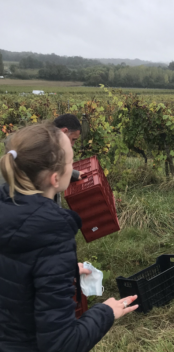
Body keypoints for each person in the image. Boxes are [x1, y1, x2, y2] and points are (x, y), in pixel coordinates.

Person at [0, 123, 139, 352]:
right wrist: (106, 312)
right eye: (70, 161)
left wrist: (58, 268)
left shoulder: (9, 210)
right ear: (55, 179)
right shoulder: (51, 233)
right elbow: (61, 344)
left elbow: (13, 269)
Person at [53, 114, 83, 206]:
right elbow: (53, 168)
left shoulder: (45, 138)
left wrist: (74, 174)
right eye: (73, 139)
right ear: (64, 131)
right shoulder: (48, 147)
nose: (72, 144)